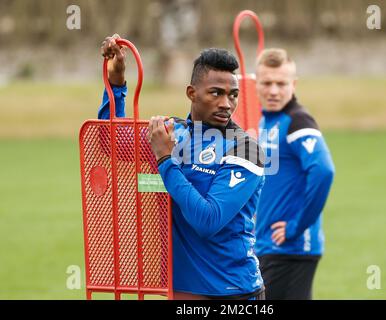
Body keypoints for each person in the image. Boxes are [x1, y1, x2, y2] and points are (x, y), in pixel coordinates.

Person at [98, 35, 265, 300]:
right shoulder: (171, 132)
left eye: (233, 95)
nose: (227, 104)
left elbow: (207, 221)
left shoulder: (247, 150)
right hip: (178, 290)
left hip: (232, 292)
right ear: (191, 93)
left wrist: (165, 161)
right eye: (216, 93)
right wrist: (116, 83)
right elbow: (111, 141)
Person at [254, 48, 335, 300]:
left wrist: (296, 226)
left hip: (290, 248)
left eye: (281, 83)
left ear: (294, 84)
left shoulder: (299, 121)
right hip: (269, 245)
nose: (274, 90)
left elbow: (323, 171)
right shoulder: (267, 121)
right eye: (267, 83)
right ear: (256, 84)